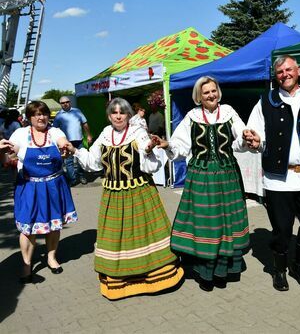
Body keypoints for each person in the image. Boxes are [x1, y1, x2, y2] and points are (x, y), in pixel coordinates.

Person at [67, 97, 183, 300]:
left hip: (139, 192)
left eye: (122, 112)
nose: (118, 116)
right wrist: (75, 151)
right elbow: (93, 163)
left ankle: (155, 278)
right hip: (113, 195)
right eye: (114, 112)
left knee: (143, 234)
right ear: (109, 116)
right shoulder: (104, 134)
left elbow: (150, 163)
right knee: (117, 238)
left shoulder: (137, 133)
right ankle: (120, 281)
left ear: (129, 115)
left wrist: (148, 150)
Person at [242, 55, 300, 291]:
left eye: (288, 70)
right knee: (282, 230)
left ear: (298, 71)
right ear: (276, 77)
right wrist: (253, 140)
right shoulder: (266, 100)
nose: (284, 75)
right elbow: (255, 133)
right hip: (277, 180)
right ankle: (280, 269)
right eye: (280, 72)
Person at [153, 76, 249, 292]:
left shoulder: (229, 112)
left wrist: (247, 136)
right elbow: (180, 147)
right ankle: (205, 271)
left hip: (226, 174)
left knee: (227, 221)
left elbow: (240, 138)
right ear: (199, 96)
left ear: (218, 92)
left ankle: (224, 270)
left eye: (213, 91)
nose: (211, 95)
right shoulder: (192, 116)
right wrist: (168, 145)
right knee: (206, 223)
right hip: (201, 176)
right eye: (206, 92)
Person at [0, 101, 78, 283]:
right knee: (28, 228)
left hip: (53, 186)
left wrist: (65, 147)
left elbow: (62, 142)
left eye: (43, 113)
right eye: (36, 114)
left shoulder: (55, 132)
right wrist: (2, 151)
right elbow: (7, 157)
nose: (41, 117)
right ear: (29, 118)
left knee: (54, 224)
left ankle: (51, 257)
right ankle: (27, 264)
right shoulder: (20, 134)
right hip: (29, 186)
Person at [52, 96, 92, 185]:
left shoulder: (77, 111)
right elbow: (54, 129)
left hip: (79, 140)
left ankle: (81, 176)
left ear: (70, 102)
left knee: (81, 159)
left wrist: (89, 135)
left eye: (67, 102)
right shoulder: (59, 115)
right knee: (69, 162)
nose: (65, 104)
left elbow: (84, 124)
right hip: (67, 142)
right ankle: (73, 179)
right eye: (63, 103)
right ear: (60, 104)